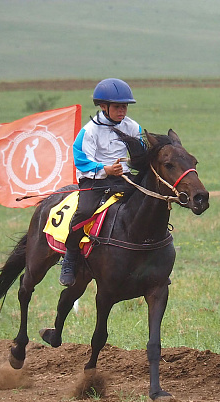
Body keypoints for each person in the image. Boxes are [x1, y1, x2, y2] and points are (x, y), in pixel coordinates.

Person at [59, 78, 142, 286]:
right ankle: (70, 257)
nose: (122, 111)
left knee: (146, 204)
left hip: (123, 177)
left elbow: (140, 154)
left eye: (125, 107)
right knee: (85, 212)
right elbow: (82, 160)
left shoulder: (133, 127)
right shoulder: (90, 131)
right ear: (103, 107)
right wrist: (106, 169)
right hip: (94, 180)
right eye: (117, 107)